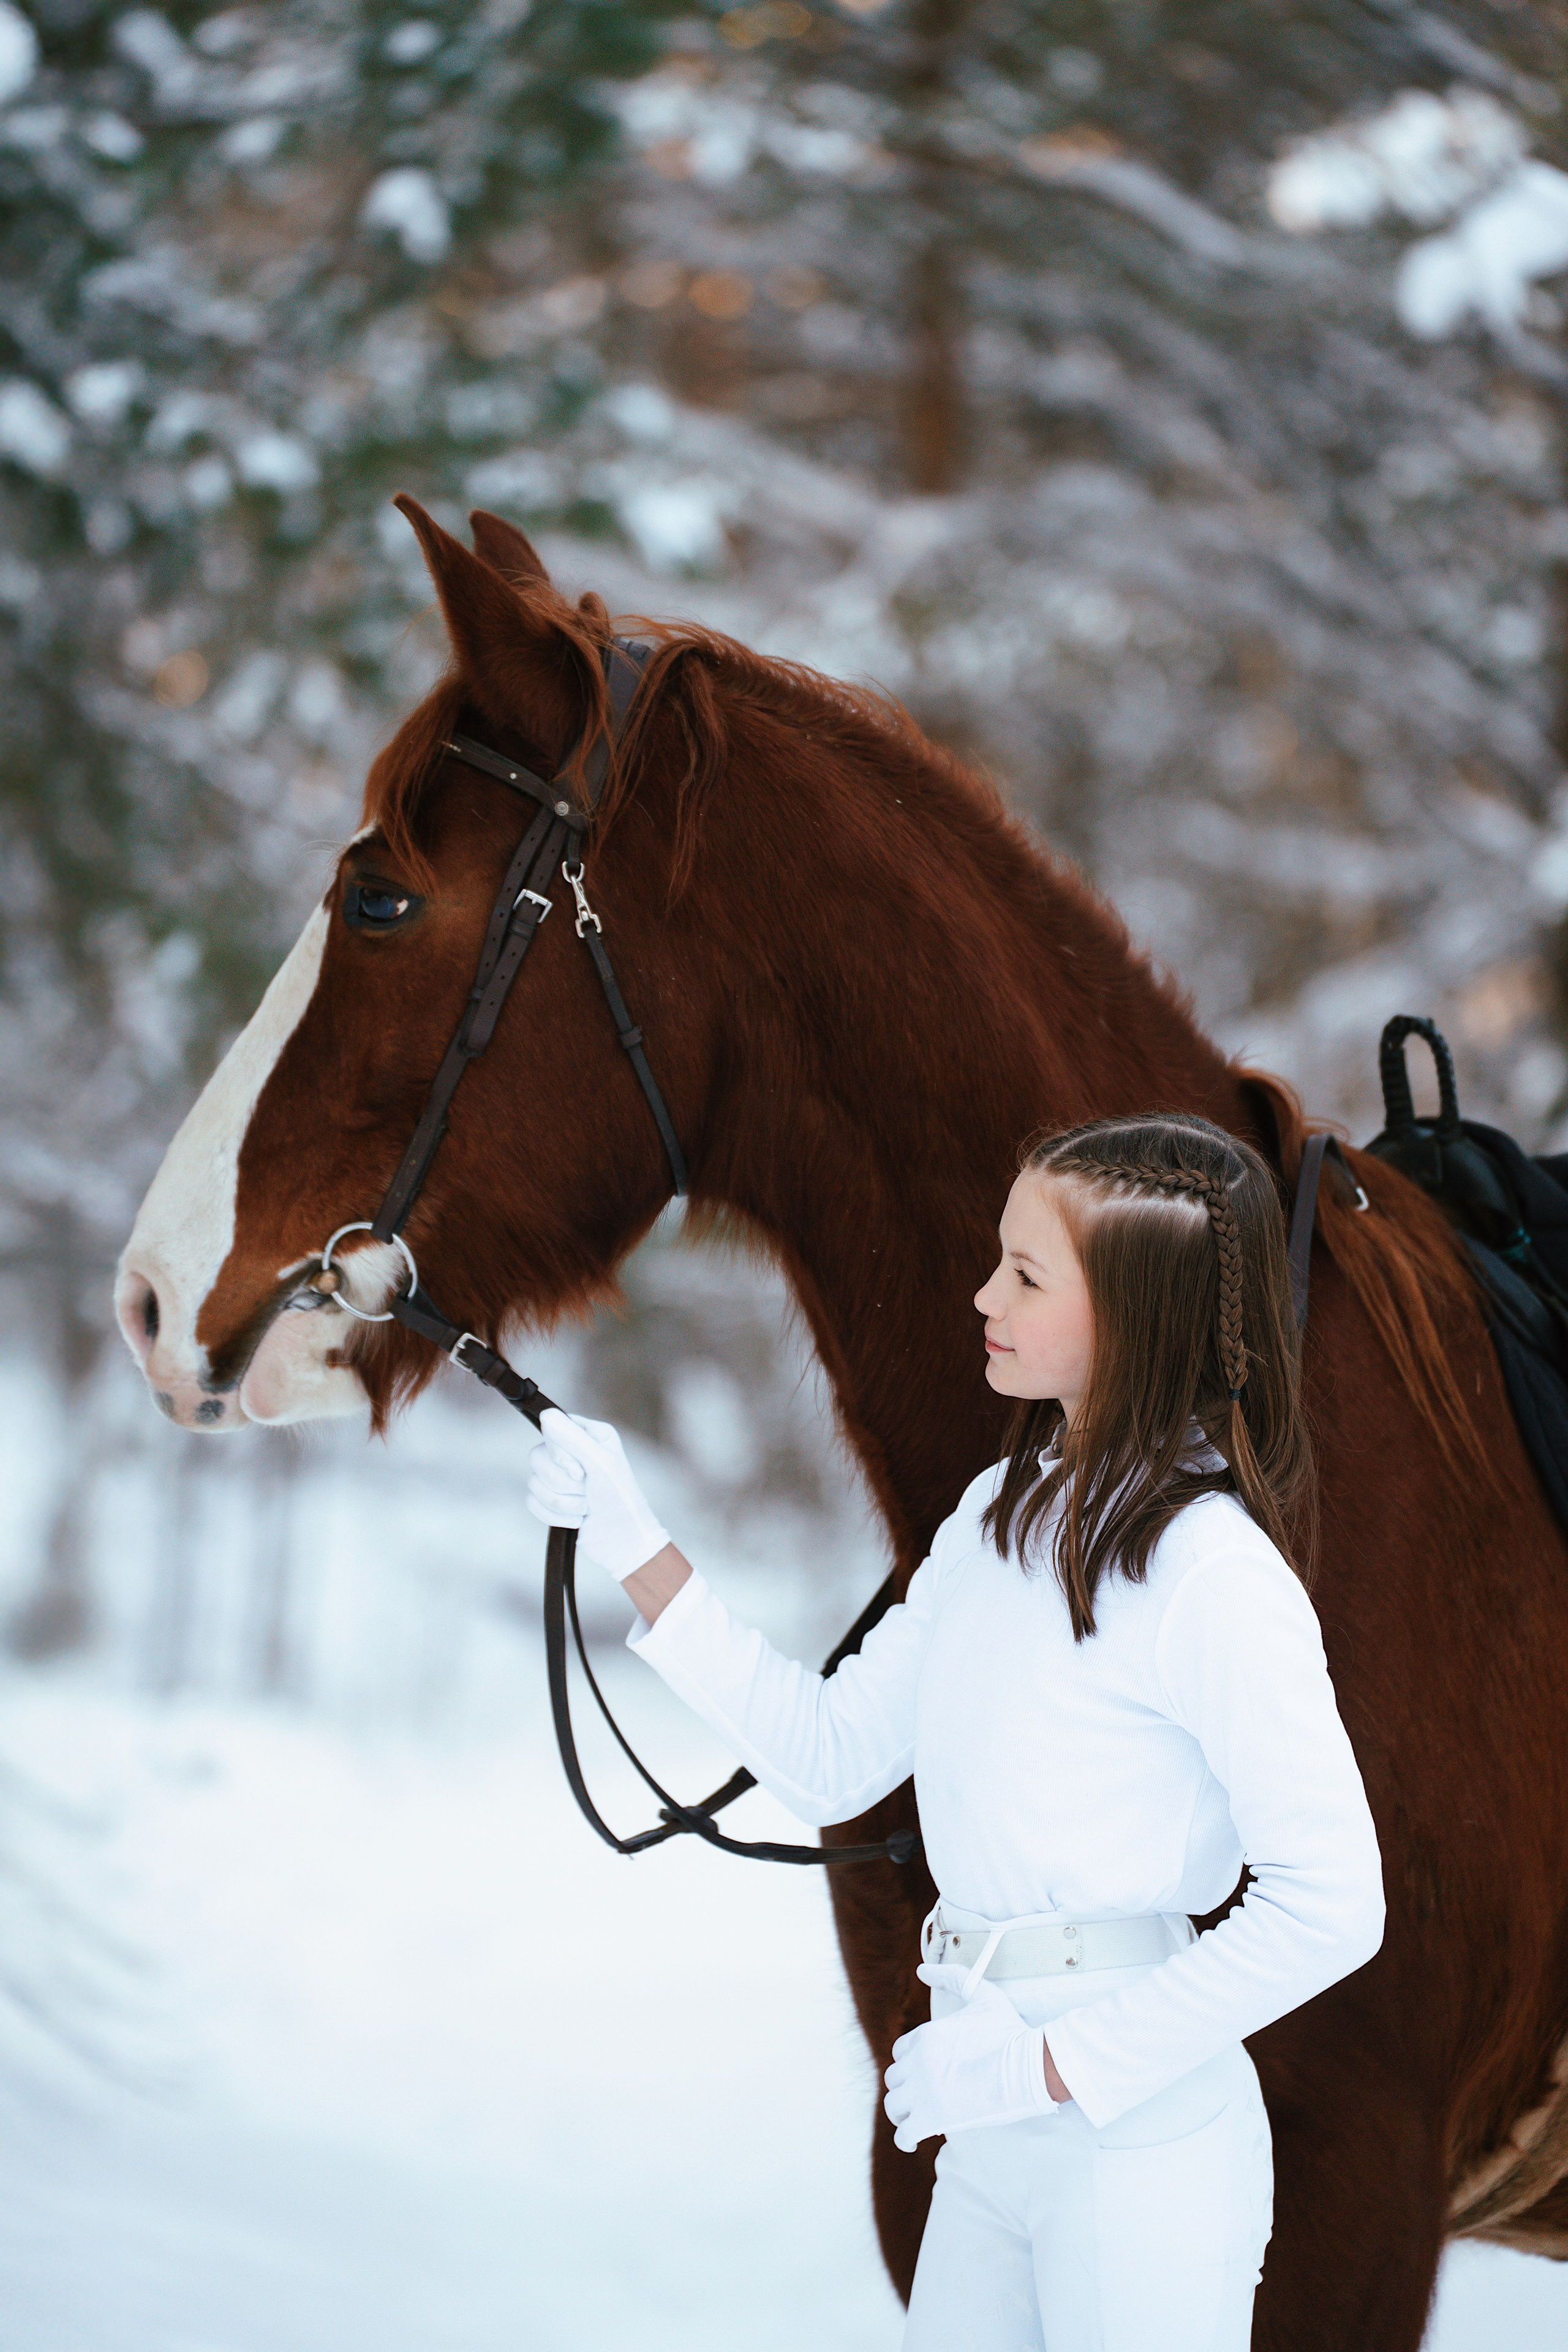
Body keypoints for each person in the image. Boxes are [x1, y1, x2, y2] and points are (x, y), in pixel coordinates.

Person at [526, 1113, 1385, 2352]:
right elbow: (832, 1753)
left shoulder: (1212, 1576)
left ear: (1133, 1315)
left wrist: (1045, 2072)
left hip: (1135, 2144)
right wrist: (634, 1546)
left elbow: (1331, 1904)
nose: (982, 1294)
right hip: (981, 2114)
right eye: (998, 1256)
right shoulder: (993, 1518)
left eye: (1026, 1275)